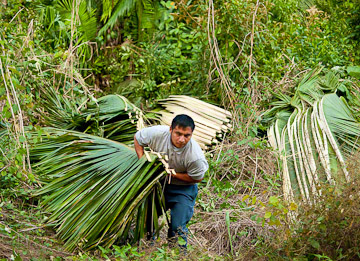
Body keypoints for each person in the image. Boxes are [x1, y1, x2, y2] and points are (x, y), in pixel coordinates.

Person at [134, 114, 209, 248]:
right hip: (159, 184)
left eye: (187, 136)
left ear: (192, 134)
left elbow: (198, 178)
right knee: (149, 217)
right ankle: (148, 245)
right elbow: (138, 138)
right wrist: (142, 163)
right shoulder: (157, 133)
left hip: (183, 188)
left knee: (178, 226)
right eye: (178, 133)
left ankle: (178, 253)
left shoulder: (195, 156)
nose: (181, 139)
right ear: (170, 129)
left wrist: (173, 175)